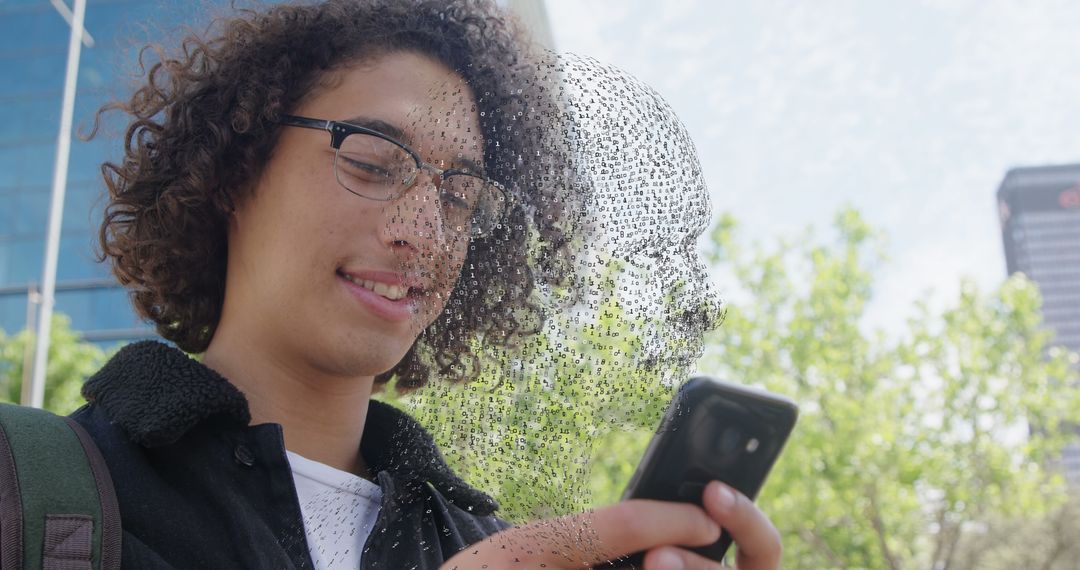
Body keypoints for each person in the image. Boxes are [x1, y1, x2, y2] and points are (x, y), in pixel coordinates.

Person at [74, 0, 783, 568]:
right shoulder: (37, 491)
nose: (425, 231)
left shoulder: (493, 548)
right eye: (376, 163)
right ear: (234, 169)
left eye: (459, 194)